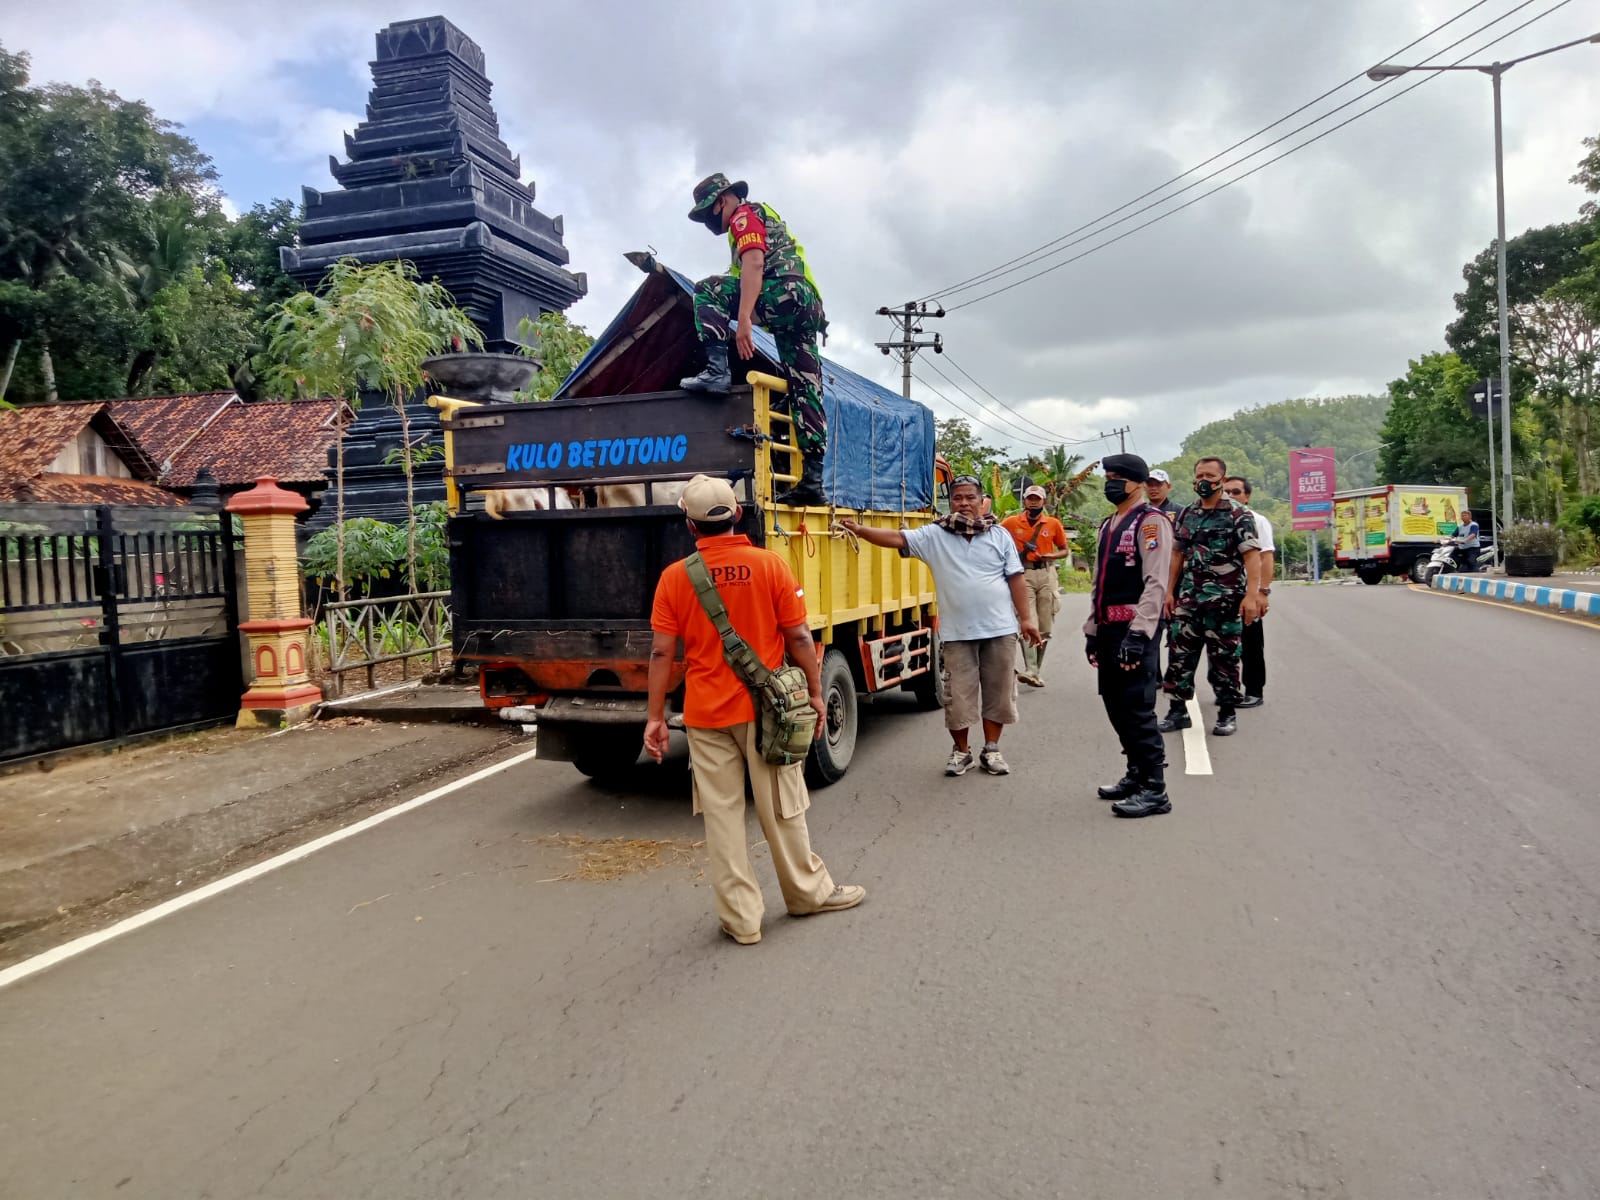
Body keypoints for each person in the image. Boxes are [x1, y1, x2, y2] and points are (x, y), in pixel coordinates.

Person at [645, 474, 864, 946]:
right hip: (768, 712)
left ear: (690, 524)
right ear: (737, 515)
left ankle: (742, 920)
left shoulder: (673, 578)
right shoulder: (770, 566)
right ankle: (806, 894)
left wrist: (656, 718)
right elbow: (800, 638)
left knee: (722, 818)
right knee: (783, 805)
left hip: (706, 717)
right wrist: (810, 691)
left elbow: (662, 654)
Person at [840, 475, 1042, 777]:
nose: (963, 503)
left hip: (1000, 630)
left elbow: (1015, 578)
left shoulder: (999, 536)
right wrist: (859, 529)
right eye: (957, 497)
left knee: (999, 693)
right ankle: (962, 752)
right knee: (957, 697)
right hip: (957, 633)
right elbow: (898, 539)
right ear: (951, 501)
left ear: (981, 500)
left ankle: (992, 749)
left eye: (969, 497)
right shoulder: (935, 535)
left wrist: (1026, 619)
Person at [679, 173, 828, 506]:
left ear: (721, 201)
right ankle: (814, 481)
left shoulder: (744, 216)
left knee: (706, 290)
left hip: (782, 293)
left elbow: (755, 262)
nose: (708, 223)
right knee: (806, 386)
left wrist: (744, 318)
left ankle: (717, 371)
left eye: (707, 215)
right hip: (805, 307)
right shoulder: (768, 219)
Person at [1083, 454, 1174, 818]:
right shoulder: (1108, 524)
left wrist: (1139, 633)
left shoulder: (1151, 523)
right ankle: (1135, 774)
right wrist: (1092, 629)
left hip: (1135, 630)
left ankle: (1155, 789)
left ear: (1137, 483)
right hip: (1107, 629)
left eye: (1118, 477)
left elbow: (1155, 582)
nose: (1110, 483)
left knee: (1137, 709)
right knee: (1115, 705)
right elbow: (1097, 583)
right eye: (1108, 477)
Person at [1158, 457, 1265, 738]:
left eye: (1209, 475)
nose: (1202, 480)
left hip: (1226, 602)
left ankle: (1227, 713)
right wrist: (1169, 591)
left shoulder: (1238, 514)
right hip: (1189, 600)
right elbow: (1178, 554)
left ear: (1222, 479)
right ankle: (1177, 711)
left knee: (1225, 661)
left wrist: (1252, 596)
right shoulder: (1187, 513)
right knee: (1179, 656)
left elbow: (1252, 557)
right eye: (1199, 475)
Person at [1001, 484, 1070, 687]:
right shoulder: (1012, 523)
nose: (1033, 501)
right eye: (1030, 498)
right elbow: (995, 535)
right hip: (1023, 573)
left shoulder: (1053, 523)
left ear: (1044, 501)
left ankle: (1035, 671)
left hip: (1047, 573)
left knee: (1045, 624)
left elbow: (1064, 550)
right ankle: (1031, 669)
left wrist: (1052, 555)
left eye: (1037, 498)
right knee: (1027, 618)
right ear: (1024, 501)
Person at [1223, 476, 1273, 709]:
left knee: (1250, 644)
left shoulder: (1257, 521)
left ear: (1247, 496)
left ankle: (1254, 690)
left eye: (1236, 492)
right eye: (1227, 492)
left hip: (1247, 593)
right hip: (1220, 592)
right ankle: (1225, 690)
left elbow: (1266, 557)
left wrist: (1262, 592)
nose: (1231, 496)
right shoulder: (1215, 520)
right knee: (1221, 644)